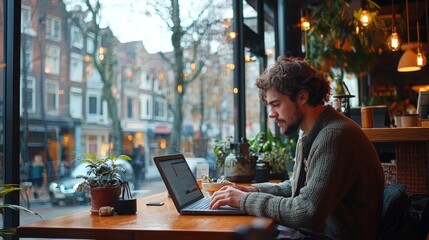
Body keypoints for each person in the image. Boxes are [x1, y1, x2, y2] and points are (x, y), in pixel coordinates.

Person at [210, 56, 385, 239]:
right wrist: (253, 190)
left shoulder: (335, 136)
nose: (271, 114)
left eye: (276, 104)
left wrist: (245, 200)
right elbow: (297, 187)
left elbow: (306, 213)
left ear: (302, 97)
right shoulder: (311, 132)